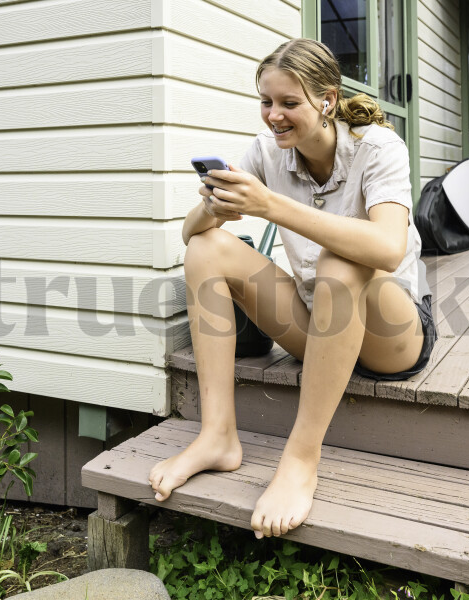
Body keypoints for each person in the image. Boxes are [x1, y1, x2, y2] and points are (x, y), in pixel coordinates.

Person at [148, 38, 436, 540]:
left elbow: (389, 249)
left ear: (326, 100)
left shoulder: (378, 147)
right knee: (207, 248)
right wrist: (213, 204)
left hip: (392, 332)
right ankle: (217, 435)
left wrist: (270, 207)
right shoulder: (265, 153)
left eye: (288, 103)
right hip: (318, 323)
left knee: (342, 260)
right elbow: (190, 234)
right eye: (266, 101)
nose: (273, 116)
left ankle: (301, 459)